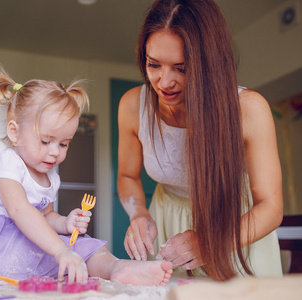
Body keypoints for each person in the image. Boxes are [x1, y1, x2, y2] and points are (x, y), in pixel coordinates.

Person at [0, 66, 173, 297]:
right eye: (46, 141)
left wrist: (66, 222)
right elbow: (19, 210)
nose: (55, 152)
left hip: (21, 250)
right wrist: (60, 250)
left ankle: (115, 267)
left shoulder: (51, 176)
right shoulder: (8, 162)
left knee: (86, 244)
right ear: (14, 133)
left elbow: (45, 216)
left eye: (64, 144)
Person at [117, 0, 283, 281]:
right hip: (167, 226)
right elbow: (126, 175)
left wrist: (212, 242)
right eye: (153, 64)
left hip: (236, 230)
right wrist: (139, 215)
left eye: (181, 68)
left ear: (210, 65)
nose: (164, 82)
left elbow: (271, 207)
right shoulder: (133, 106)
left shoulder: (249, 109)